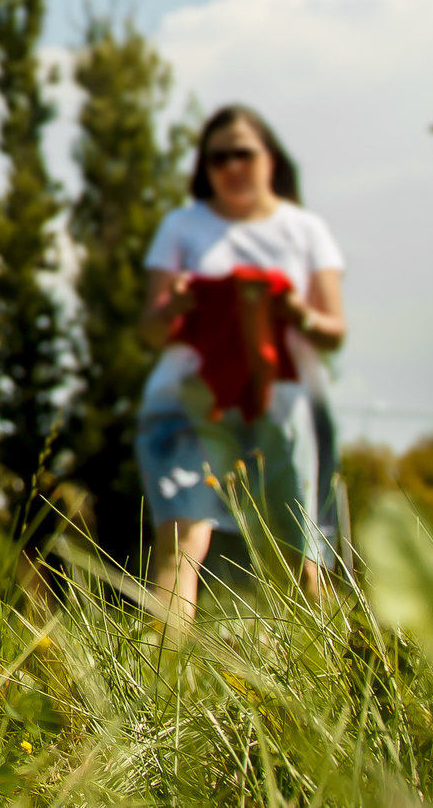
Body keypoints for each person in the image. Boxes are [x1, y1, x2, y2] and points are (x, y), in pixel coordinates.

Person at [137, 106, 346, 622]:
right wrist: (179, 305)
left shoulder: (304, 229)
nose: (231, 166)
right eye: (217, 157)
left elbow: (334, 330)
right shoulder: (182, 227)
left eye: (243, 154)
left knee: (296, 557)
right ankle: (157, 685)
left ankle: (339, 676)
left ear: (269, 158)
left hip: (279, 400)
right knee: (181, 544)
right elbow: (151, 329)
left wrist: (297, 311)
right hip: (190, 399)